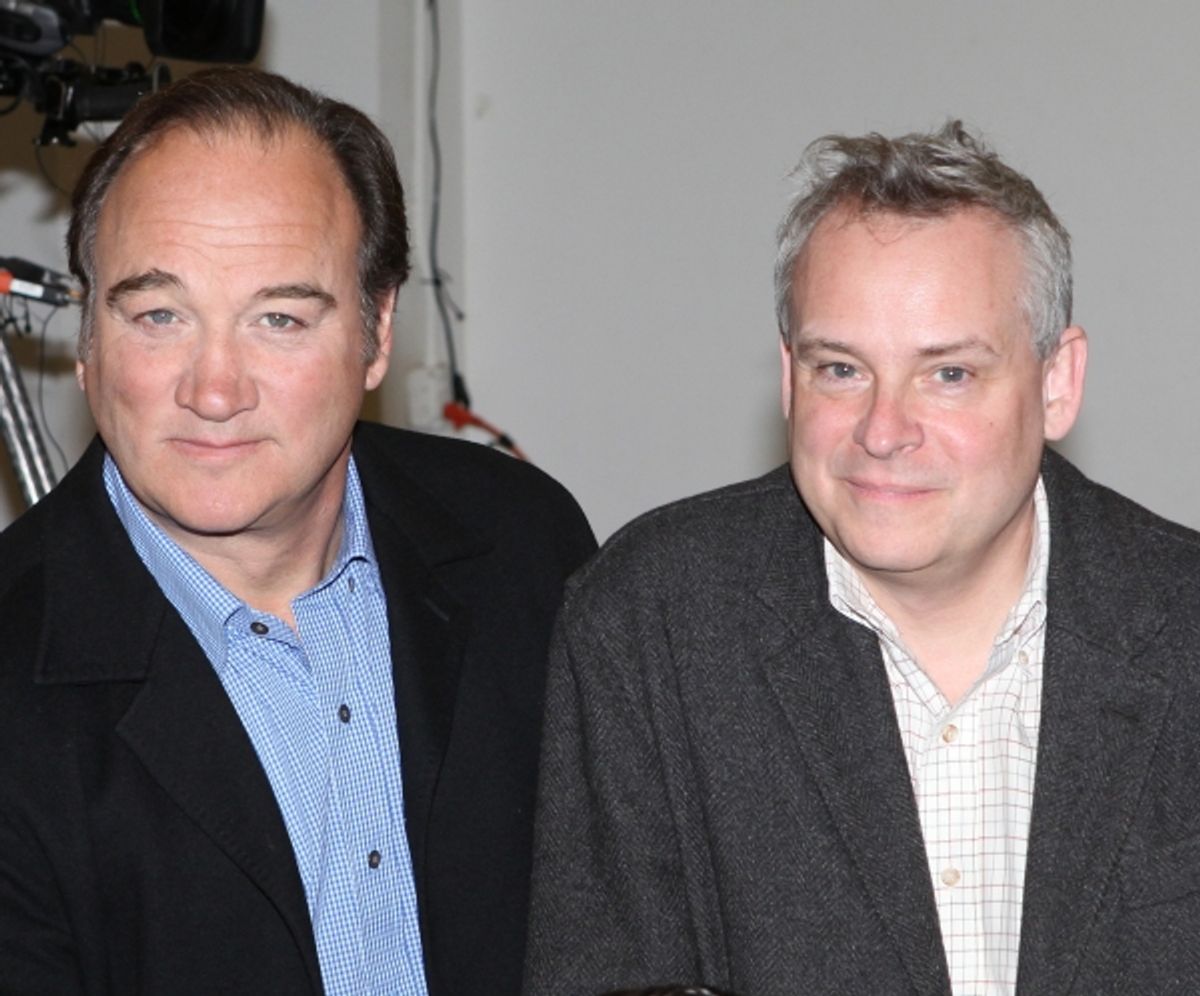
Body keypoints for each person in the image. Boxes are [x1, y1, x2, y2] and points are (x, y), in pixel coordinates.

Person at [524, 122, 1200, 996]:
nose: (884, 431)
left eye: (948, 374)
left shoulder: (1183, 624)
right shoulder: (651, 623)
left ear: (1057, 383)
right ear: (788, 378)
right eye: (841, 369)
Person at [0, 67, 595, 995]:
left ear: (376, 332)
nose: (214, 390)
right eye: (159, 315)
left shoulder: (526, 544)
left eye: (278, 319)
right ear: (87, 339)